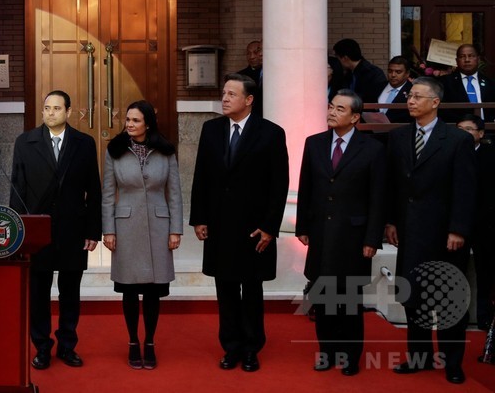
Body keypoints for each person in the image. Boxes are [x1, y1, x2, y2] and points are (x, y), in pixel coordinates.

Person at [189, 73, 288, 373]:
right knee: (226, 288)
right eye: (223, 93)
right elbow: (201, 176)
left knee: (252, 289)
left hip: (254, 228)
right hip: (220, 225)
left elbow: (279, 183)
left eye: (232, 94)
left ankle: (251, 348)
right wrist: (199, 218)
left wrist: (271, 226)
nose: (225, 98)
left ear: (249, 99)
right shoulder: (211, 129)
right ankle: (230, 346)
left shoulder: (271, 133)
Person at [385, 77, 476, 384]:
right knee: (414, 299)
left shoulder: (456, 140)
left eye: (418, 97)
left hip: (445, 235)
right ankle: (419, 357)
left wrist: (458, 229)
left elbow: (465, 190)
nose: (410, 101)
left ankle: (453, 362)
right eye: (409, 96)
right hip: (410, 231)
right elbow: (393, 187)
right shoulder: (397, 138)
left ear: (435, 103)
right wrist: (391, 221)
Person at [295, 90, 386, 376]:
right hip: (321, 233)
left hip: (354, 237)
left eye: (340, 108)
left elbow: (377, 198)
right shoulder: (314, 144)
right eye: (331, 106)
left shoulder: (372, 149)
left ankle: (350, 355)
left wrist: (372, 238)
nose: (332, 112)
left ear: (355, 117)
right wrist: (303, 227)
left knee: (348, 299)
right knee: (323, 298)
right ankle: (327, 352)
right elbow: (306, 187)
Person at [10, 90, 101, 369]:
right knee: (38, 292)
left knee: (70, 291)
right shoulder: (25, 142)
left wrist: (93, 230)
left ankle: (67, 345)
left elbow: (94, 190)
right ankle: (41, 346)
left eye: (57, 108)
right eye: (47, 108)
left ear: (69, 112)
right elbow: (17, 190)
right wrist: (19, 232)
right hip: (38, 231)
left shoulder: (84, 143)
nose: (50, 113)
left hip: (73, 230)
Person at [101, 100, 182, 370]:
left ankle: (150, 342)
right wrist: (108, 230)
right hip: (126, 226)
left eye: (135, 120)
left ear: (148, 122)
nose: (129, 124)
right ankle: (133, 341)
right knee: (129, 289)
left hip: (159, 227)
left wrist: (175, 229)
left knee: (152, 291)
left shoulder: (166, 151)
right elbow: (108, 194)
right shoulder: (115, 151)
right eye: (127, 120)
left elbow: (175, 193)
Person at [458, 114, 495, 332]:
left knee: (486, 273)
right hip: (458, 225)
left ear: (480, 134)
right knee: (456, 272)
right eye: (459, 129)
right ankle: (457, 319)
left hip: (486, 225)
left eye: (468, 130)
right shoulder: (450, 151)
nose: (463, 133)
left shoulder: (491, 154)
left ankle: (484, 318)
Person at [441, 44, 495, 122]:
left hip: (488, 129)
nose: (467, 60)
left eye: (471, 56)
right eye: (462, 56)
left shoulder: (490, 83)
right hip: (457, 130)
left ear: (478, 59)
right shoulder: (445, 83)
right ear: (456, 61)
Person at [333, 38, 387, 106]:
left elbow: (374, 98)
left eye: (337, 58)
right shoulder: (347, 74)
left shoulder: (374, 73)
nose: (337, 62)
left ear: (345, 58)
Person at [376, 56, 413, 124]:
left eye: (398, 72)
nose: (393, 75)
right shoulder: (377, 87)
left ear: (407, 73)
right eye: (390, 71)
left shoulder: (412, 91)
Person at [238, 40, 264, 116]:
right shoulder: (240, 76)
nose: (252, 57)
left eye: (256, 52)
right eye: (248, 53)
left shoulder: (271, 74)